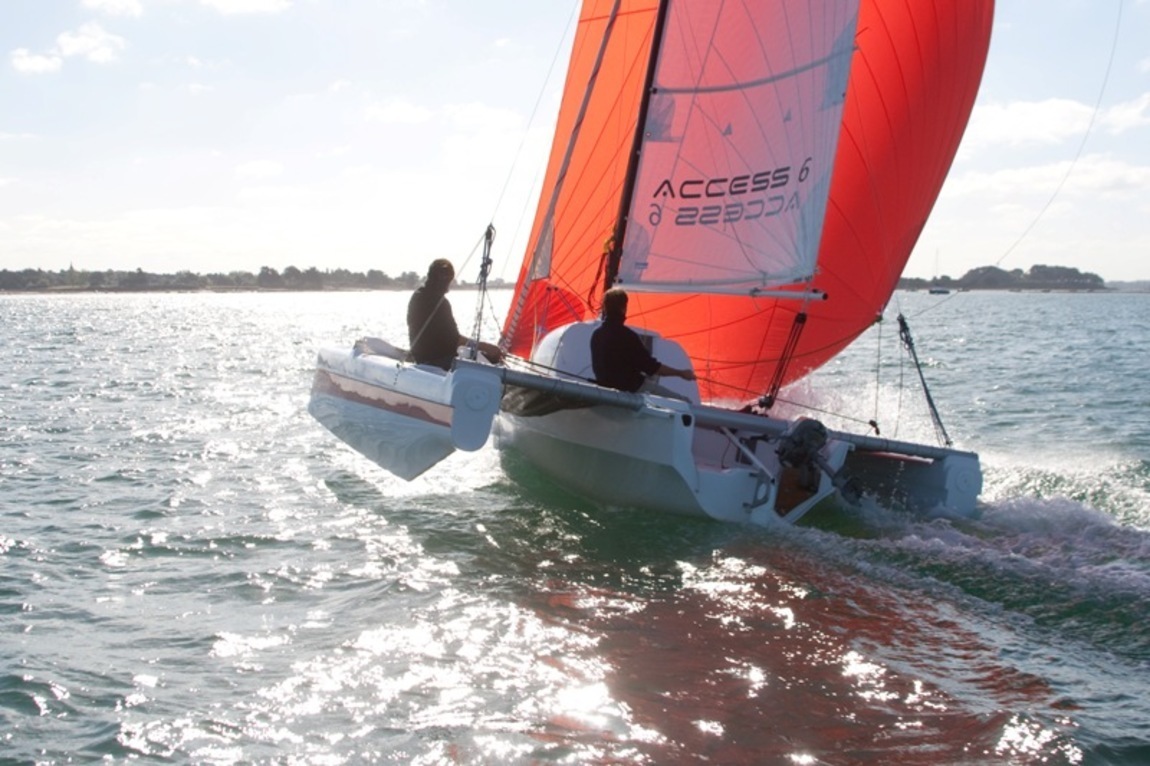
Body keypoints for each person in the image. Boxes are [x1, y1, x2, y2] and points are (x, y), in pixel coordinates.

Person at [590, 287, 695, 392]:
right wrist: (681, 373)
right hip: (632, 390)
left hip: (605, 389)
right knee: (683, 401)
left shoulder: (597, 335)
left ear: (605, 308)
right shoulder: (628, 336)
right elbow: (652, 368)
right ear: (624, 308)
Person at [406, 258, 503, 370]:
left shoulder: (417, 296)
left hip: (420, 358)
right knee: (489, 364)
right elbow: (455, 340)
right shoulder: (440, 303)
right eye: (448, 280)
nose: (448, 285)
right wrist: (486, 347)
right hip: (437, 362)